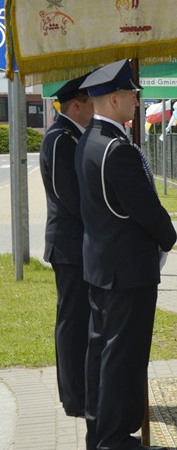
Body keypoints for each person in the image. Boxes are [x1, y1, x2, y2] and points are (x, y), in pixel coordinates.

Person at [74, 59, 177, 450]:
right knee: (123, 355)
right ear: (114, 98)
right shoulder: (117, 149)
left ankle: (99, 430)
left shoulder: (89, 139)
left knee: (100, 350)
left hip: (103, 263)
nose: (137, 100)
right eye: (132, 94)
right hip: (127, 268)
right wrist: (169, 239)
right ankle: (115, 440)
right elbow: (146, 209)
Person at [40, 73, 94, 418]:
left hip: (76, 244)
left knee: (79, 320)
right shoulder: (61, 138)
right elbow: (68, 195)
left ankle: (81, 392)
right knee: (73, 322)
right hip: (70, 245)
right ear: (76, 105)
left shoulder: (70, 134)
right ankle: (74, 398)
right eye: (90, 103)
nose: (94, 109)